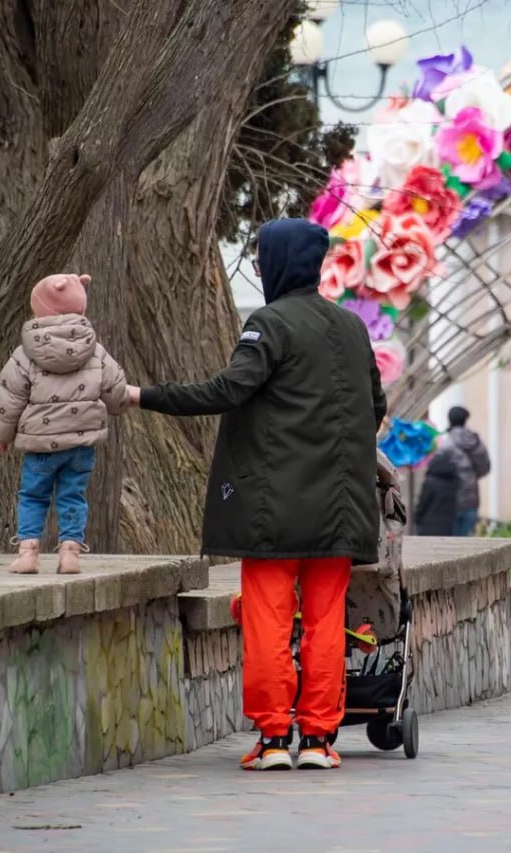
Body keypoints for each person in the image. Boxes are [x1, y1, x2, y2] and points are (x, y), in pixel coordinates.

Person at [125, 218, 386, 771]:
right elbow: (375, 406)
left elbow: (229, 389)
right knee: (324, 622)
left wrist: (141, 395)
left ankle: (272, 739)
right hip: (340, 512)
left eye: (264, 258)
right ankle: (317, 739)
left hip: (274, 514)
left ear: (279, 263)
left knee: (268, 621)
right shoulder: (351, 327)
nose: (263, 267)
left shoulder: (269, 323)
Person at [0, 273, 129, 575]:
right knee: (72, 496)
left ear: (38, 310)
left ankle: (28, 553)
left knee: (33, 495)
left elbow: (9, 398)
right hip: (80, 445)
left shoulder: (25, 354)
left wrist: (1, 437)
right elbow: (116, 389)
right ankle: (70, 553)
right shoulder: (95, 350)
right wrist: (117, 407)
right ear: (81, 308)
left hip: (40, 444)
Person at [444, 405, 491, 536]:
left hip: (449, 501)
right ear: (465, 420)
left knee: (449, 544)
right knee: (466, 542)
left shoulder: (445, 443)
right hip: (471, 500)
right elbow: (485, 468)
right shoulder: (476, 441)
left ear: (449, 419)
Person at [414, 440, 462, 536]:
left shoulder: (430, 482)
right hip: (448, 525)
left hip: (428, 525)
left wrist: (417, 518)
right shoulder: (454, 482)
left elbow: (423, 503)